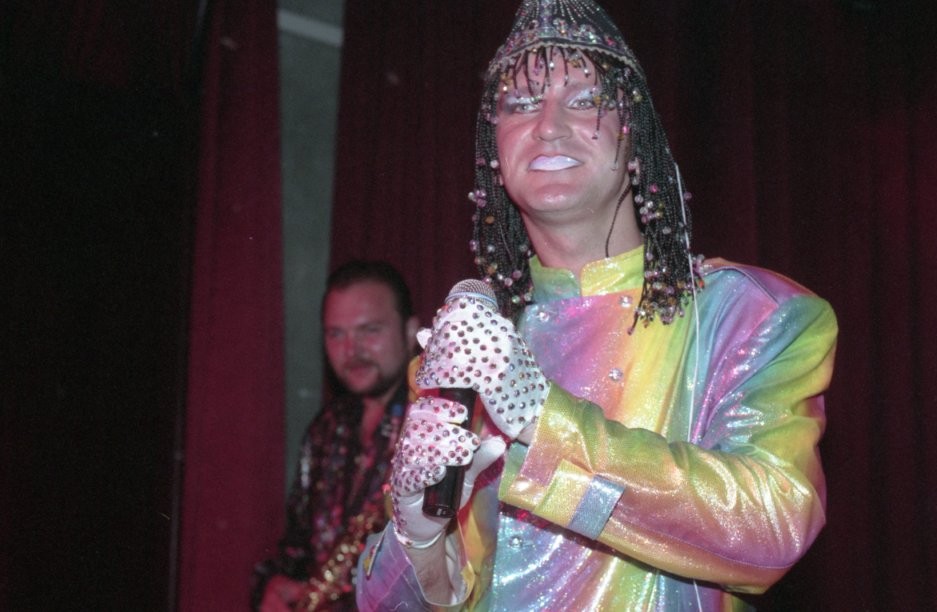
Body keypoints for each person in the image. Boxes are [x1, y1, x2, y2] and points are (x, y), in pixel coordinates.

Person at [356, 1, 838, 610]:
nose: (548, 126)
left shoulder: (751, 314)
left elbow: (774, 528)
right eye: (520, 104)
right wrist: (421, 537)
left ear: (634, 134)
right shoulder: (466, 354)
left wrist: (542, 419)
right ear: (494, 151)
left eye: (585, 100)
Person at [251, 260, 419, 611]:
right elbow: (296, 547)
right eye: (336, 334)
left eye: (369, 330)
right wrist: (275, 585)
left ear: (410, 332)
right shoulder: (327, 427)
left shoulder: (437, 423)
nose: (351, 351)